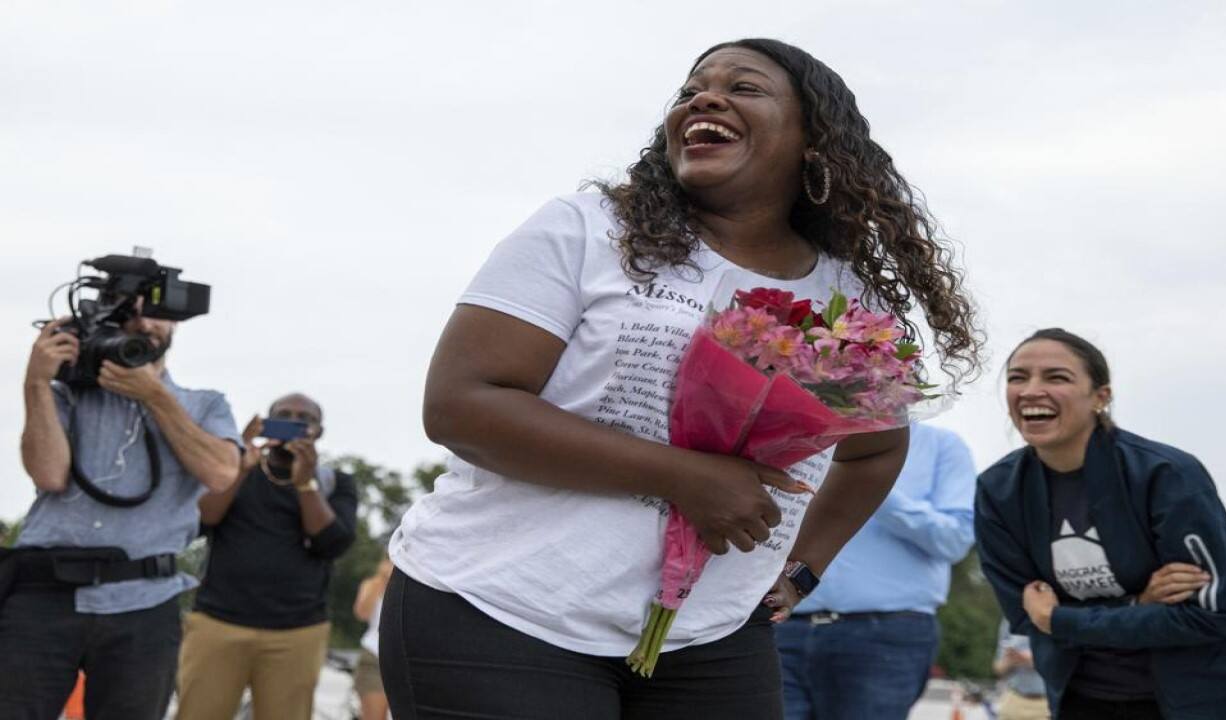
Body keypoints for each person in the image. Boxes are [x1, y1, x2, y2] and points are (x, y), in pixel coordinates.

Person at [382, 38, 981, 719]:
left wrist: (804, 568)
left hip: (713, 637)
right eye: (691, 90)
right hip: (498, 607)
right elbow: (462, 406)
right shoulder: (587, 230)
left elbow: (875, 448)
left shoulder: (845, 296)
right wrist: (683, 477)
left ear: (815, 143)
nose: (704, 98)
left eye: (744, 87)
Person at [974, 328, 1226, 720]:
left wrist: (1063, 618)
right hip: (1083, 698)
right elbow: (1028, 615)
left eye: (1056, 377)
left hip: (1204, 701)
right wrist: (1138, 604)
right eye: (1018, 377)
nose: (1031, 390)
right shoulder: (998, 491)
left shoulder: (1168, 476)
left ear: (1101, 396)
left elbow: (1209, 615)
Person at [1, 308, 241, 720]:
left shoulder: (205, 405)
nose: (146, 325)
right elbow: (48, 473)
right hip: (44, 594)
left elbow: (221, 473)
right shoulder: (68, 394)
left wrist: (154, 396)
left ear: (175, 323)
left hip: (145, 599)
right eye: (133, 316)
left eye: (158, 316)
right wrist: (37, 380)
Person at [776, 422, 976, 720]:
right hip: (782, 626)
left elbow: (955, 541)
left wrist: (871, 482)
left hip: (885, 636)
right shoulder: (794, 434)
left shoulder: (943, 446)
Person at [176, 393, 357, 720]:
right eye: (283, 415)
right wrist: (238, 469)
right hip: (218, 624)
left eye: (304, 419)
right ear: (265, 424)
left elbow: (332, 544)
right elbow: (202, 520)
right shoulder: (237, 471)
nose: (293, 422)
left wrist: (306, 484)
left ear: (318, 432)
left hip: (297, 632)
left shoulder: (336, 482)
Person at [353, 556, 392, 720]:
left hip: (403, 661)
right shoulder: (372, 584)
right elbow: (362, 613)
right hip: (374, 658)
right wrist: (381, 581)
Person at [992, 619, 1049, 720]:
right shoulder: (1008, 620)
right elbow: (998, 668)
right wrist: (1011, 661)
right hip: (1014, 698)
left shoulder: (1054, 615)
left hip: (1046, 703)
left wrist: (1032, 660)